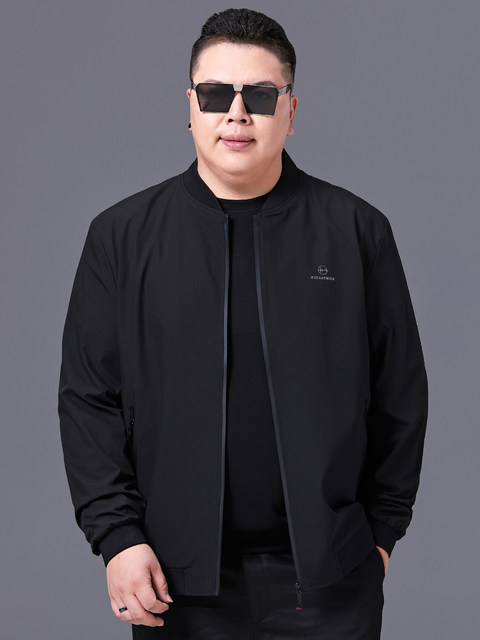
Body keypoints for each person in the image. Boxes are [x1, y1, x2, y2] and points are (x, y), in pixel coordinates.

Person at [57, 7, 429, 639]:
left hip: (331, 580)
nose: (236, 114)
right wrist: (117, 538)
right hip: (174, 582)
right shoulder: (120, 237)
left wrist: (381, 538)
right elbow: (89, 399)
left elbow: (400, 393)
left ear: (290, 111)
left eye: (259, 95)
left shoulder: (356, 231)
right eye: (215, 94)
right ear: (190, 106)